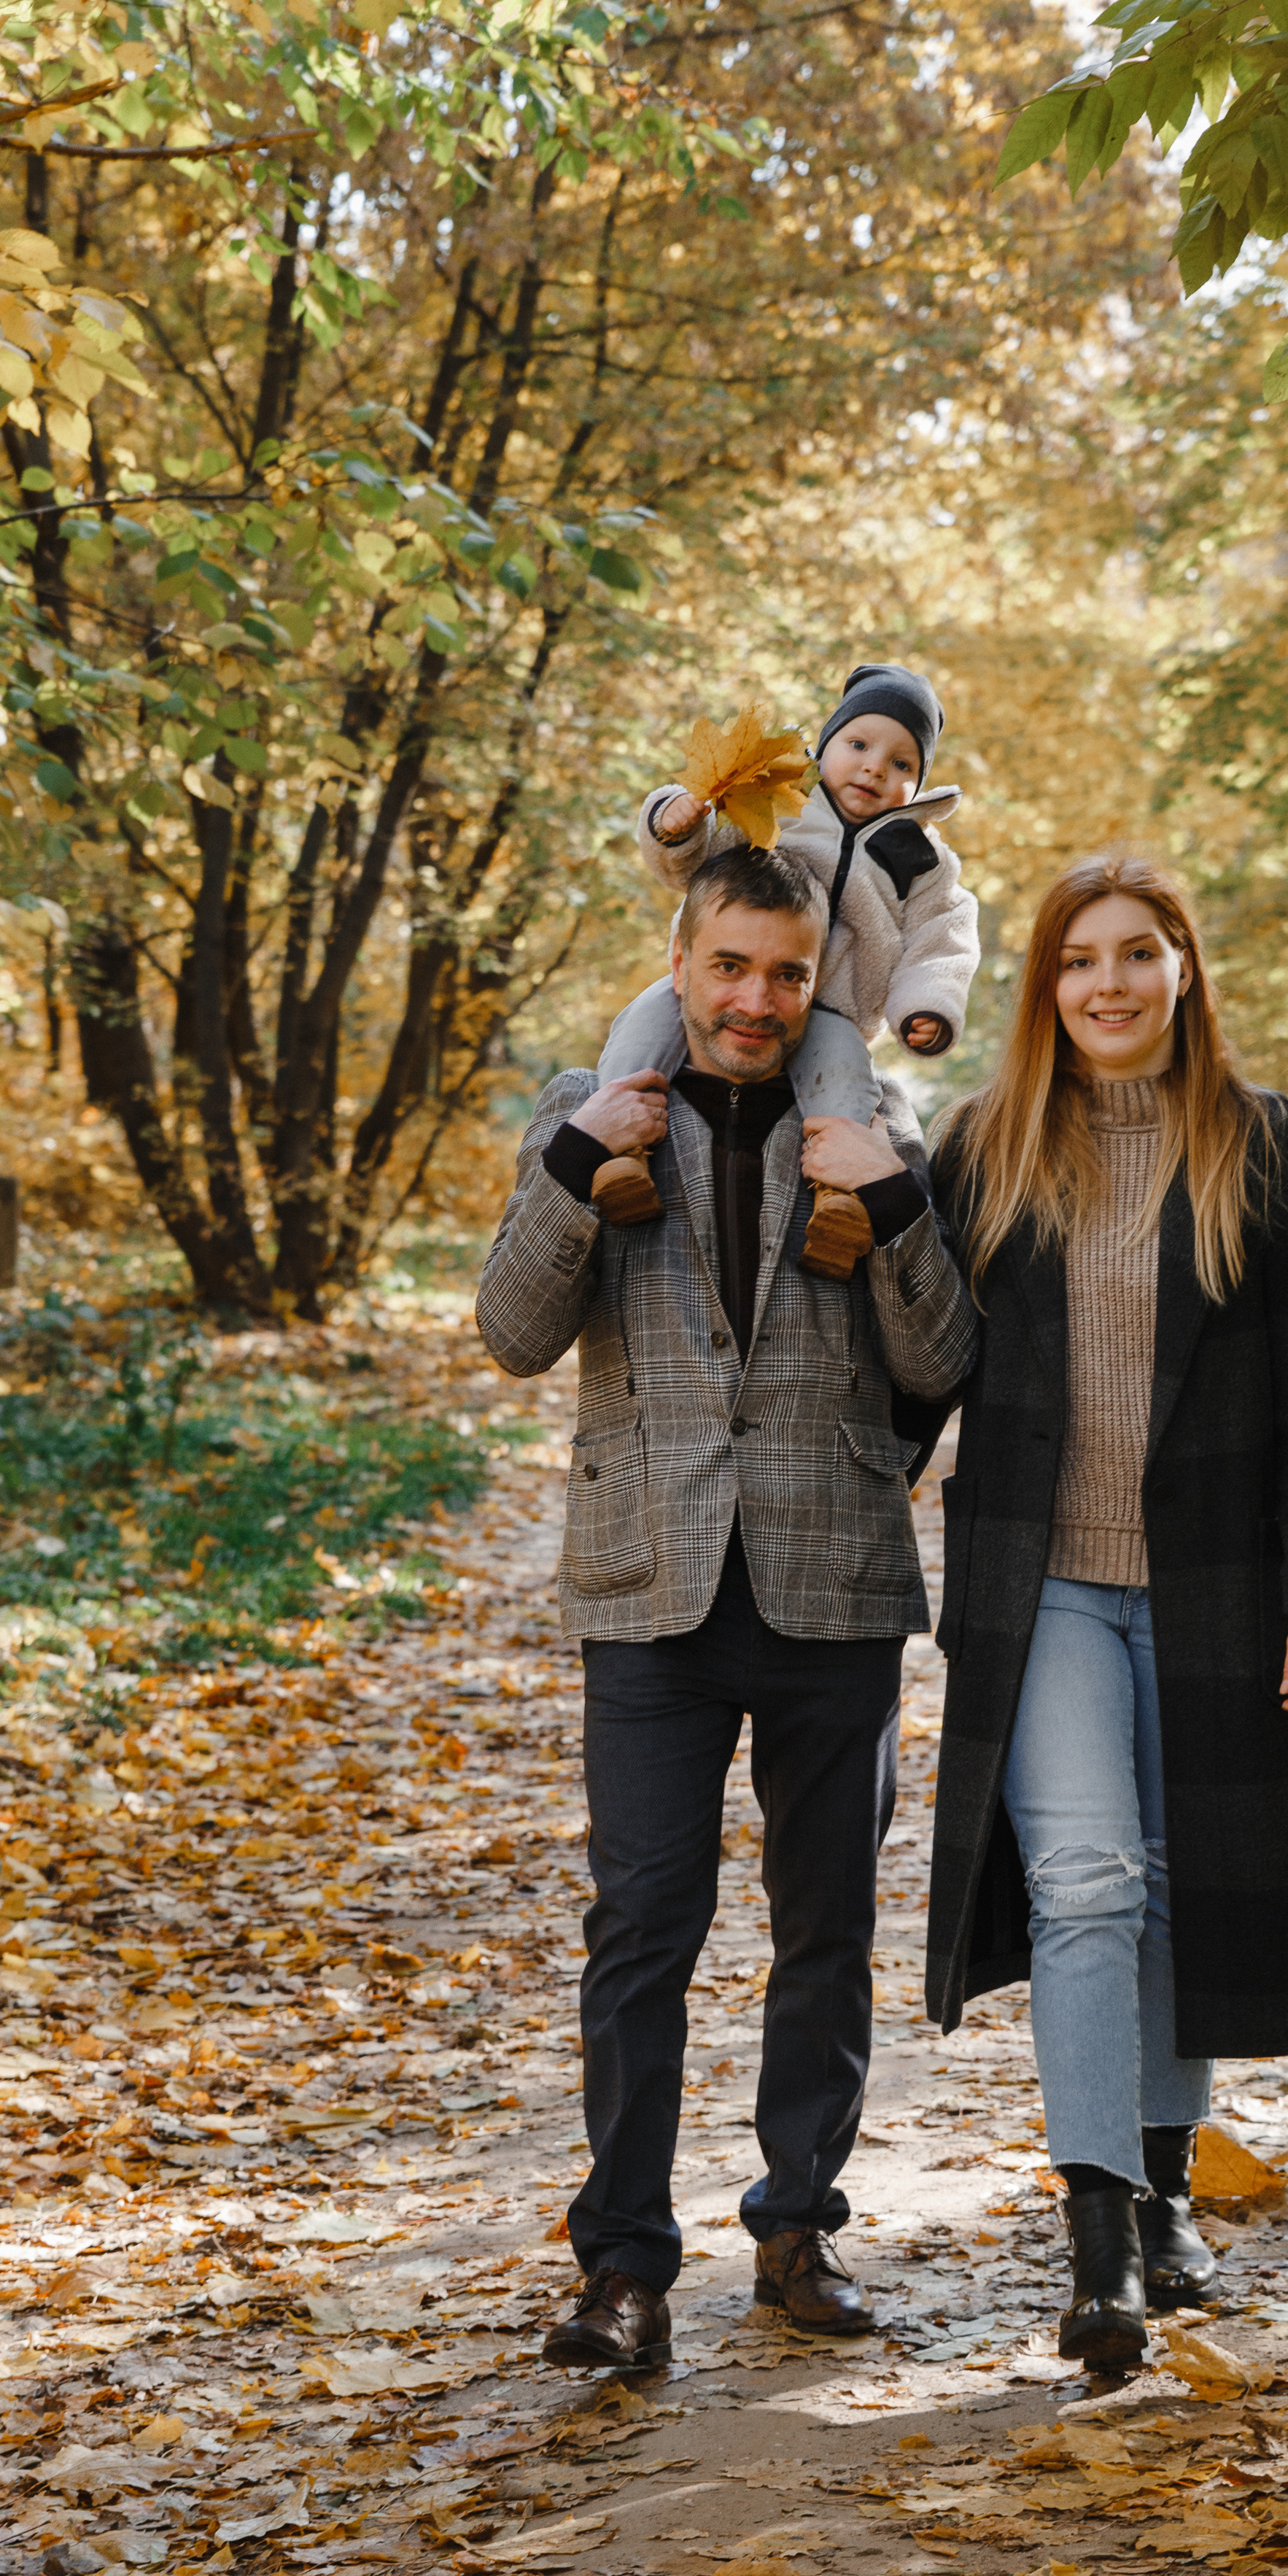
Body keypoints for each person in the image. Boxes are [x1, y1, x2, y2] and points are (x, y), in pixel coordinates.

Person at [477, 840, 977, 2372]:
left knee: (822, 1931)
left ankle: (796, 2226)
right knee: (642, 1928)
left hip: (831, 1582)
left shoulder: (880, 1123)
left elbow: (945, 1361)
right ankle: (621, 2270)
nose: (753, 1000)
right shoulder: (592, 1118)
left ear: (813, 977)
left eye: (783, 972)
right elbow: (511, 1329)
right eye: (726, 966)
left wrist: (890, 1209)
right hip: (648, 1589)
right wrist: (574, 1166)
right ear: (680, 961)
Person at [924, 851, 1288, 2369]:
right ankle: (1100, 2243)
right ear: (1044, 988)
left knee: (1174, 1875)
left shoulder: (1265, 1154)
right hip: (1041, 1584)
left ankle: (1161, 2189)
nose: (1110, 984)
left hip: (1215, 1580)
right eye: (1080, 960)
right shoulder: (983, 1152)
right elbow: (899, 1354)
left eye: (1139, 954)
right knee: (1085, 1881)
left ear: (1183, 972)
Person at [591, 662, 979, 1280]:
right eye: (858, 745)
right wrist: (673, 825)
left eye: (903, 764)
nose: (876, 767)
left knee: (846, 1086)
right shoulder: (781, 798)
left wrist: (925, 1005)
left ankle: (839, 1204)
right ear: (824, 748)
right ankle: (620, 1157)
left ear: (921, 782)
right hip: (716, 989)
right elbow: (698, 846)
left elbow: (943, 938)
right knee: (640, 1031)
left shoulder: (919, 857)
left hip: (833, 1009)